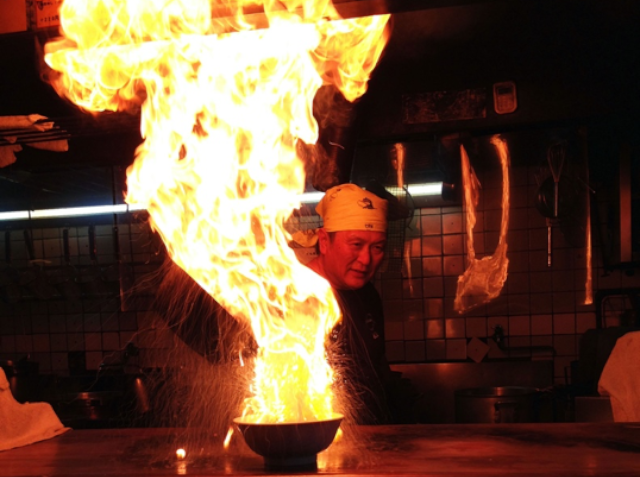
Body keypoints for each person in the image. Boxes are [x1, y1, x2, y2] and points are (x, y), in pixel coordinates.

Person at [301, 183, 417, 424]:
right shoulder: (297, 297)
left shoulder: (368, 295)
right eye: (356, 244)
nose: (366, 259)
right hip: (320, 435)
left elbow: (376, 365)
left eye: (377, 248)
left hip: (371, 434)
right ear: (324, 241)